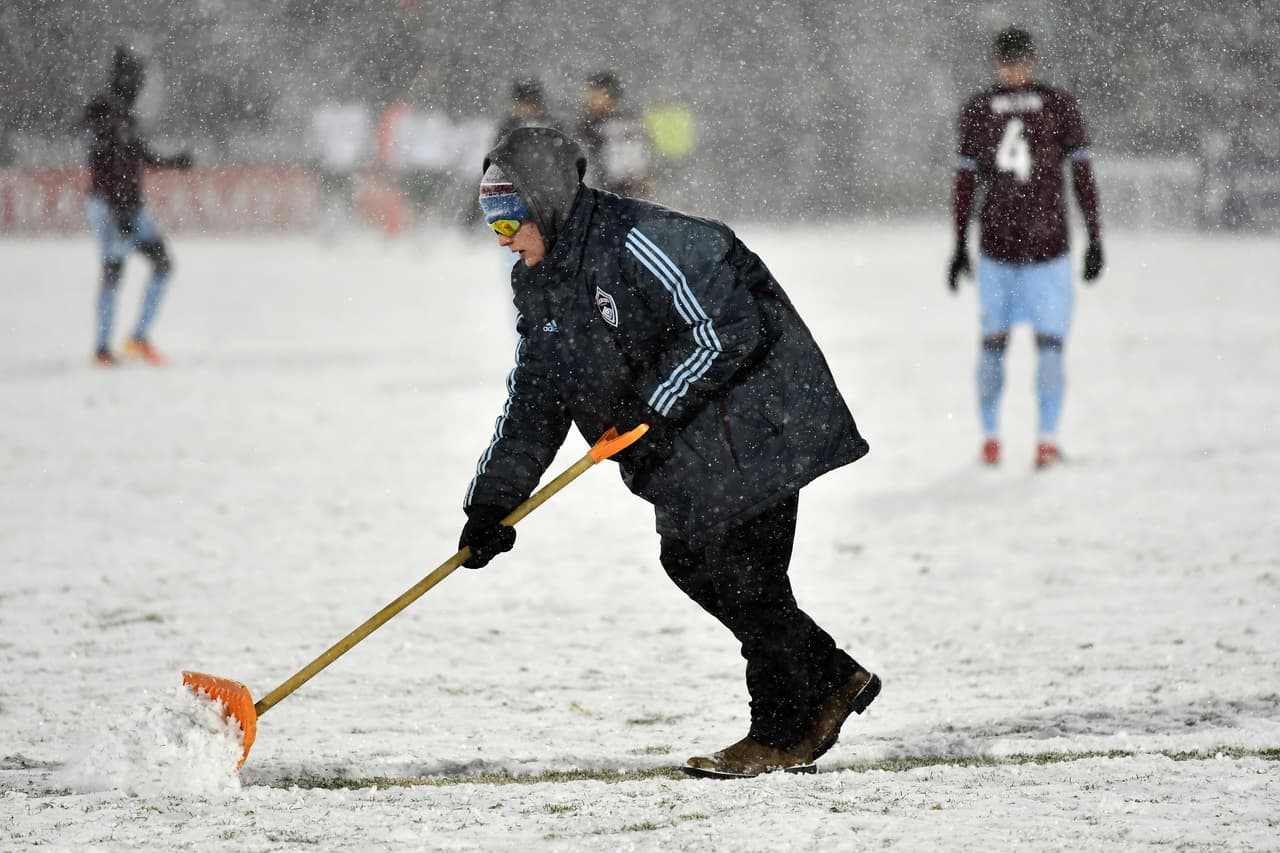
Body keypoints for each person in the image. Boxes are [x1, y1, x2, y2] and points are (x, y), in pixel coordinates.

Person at [459, 126, 880, 778]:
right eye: (492, 222)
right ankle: (827, 679)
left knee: (739, 568)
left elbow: (725, 327)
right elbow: (535, 402)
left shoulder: (638, 240)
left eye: (511, 216)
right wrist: (493, 501)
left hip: (760, 412)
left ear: (546, 202)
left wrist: (650, 403)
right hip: (696, 435)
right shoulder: (539, 284)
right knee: (695, 560)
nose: (505, 236)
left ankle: (783, 724)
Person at [948, 26, 1104, 469]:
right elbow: (1081, 177)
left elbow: (965, 185)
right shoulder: (1056, 105)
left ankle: (1042, 439)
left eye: (1018, 62)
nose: (1015, 70)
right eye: (1010, 62)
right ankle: (997, 437)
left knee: (1038, 346)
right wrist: (959, 245)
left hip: (1030, 247)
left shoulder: (981, 109)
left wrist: (1095, 237)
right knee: (1004, 345)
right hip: (1021, 247)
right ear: (1002, 62)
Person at [84, 47, 193, 366]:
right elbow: (109, 165)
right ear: (124, 81)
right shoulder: (108, 117)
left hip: (128, 204)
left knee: (162, 264)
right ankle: (102, 350)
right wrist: (120, 211)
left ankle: (137, 338)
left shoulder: (118, 116)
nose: (139, 88)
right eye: (136, 80)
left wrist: (170, 162)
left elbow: (135, 153)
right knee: (114, 271)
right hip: (110, 206)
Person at [577, 71, 654, 198]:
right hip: (633, 193)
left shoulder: (595, 124)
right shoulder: (632, 119)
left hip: (611, 193)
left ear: (609, 96)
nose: (588, 101)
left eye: (594, 96)